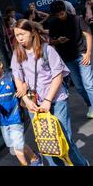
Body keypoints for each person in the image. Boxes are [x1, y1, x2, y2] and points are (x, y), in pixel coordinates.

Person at [11, 19, 88, 166]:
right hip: (34, 104)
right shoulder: (17, 54)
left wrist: (47, 101)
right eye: (16, 35)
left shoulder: (47, 50)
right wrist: (27, 101)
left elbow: (57, 76)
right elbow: (17, 79)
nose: (19, 38)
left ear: (32, 32)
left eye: (22, 34)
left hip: (57, 99)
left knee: (64, 139)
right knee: (46, 143)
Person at [0, 55, 42, 166]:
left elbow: (26, 82)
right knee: (15, 144)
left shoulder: (11, 76)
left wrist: (24, 87)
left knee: (17, 146)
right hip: (3, 121)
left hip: (16, 117)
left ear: (0, 64)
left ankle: (26, 164)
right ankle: (35, 158)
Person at [48, 1, 93, 118]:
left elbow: (88, 35)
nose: (60, 16)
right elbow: (50, 41)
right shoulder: (53, 24)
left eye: (61, 13)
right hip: (67, 59)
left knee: (88, 84)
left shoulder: (77, 19)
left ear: (65, 10)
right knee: (79, 86)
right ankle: (89, 105)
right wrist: (58, 41)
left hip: (81, 55)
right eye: (57, 15)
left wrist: (88, 53)